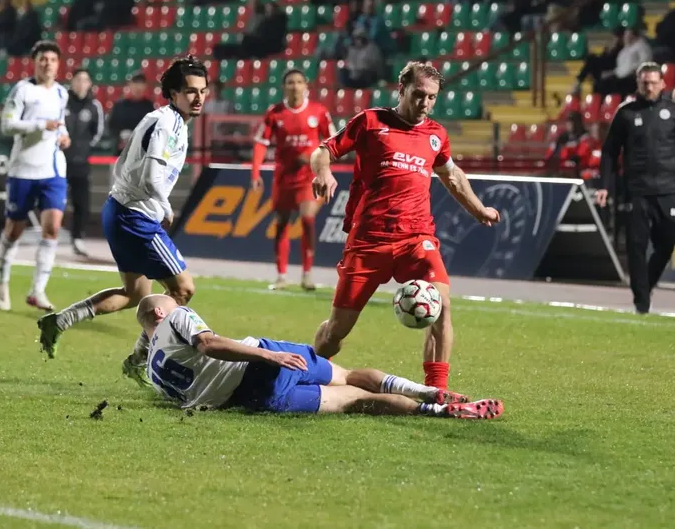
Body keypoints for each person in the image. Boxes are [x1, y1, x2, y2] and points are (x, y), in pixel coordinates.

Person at [309, 62, 502, 390]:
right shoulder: (371, 121)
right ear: (402, 90)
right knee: (336, 333)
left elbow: (452, 176)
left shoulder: (436, 135)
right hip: (369, 240)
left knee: (441, 307)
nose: (425, 103)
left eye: (432, 97)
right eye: (419, 94)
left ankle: (437, 390)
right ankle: (309, 370)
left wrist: (479, 209)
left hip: (417, 237)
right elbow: (323, 150)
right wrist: (323, 172)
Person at [37, 57, 208, 386]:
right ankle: (139, 359)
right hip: (136, 217)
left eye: (202, 91)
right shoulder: (167, 124)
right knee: (183, 289)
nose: (198, 97)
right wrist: (165, 207)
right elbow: (152, 176)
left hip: (119, 209)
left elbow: (121, 165)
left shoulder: (163, 119)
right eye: (190, 91)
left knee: (134, 294)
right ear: (173, 93)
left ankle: (58, 322)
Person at [139, 294, 503, 419]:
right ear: (159, 313)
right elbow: (208, 344)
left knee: (354, 401)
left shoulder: (154, 375)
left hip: (253, 398)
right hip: (263, 363)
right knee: (347, 376)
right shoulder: (175, 317)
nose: (177, 302)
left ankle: (436, 412)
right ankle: (429, 392)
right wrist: (269, 357)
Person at [596, 62, 675, 315]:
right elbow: (610, 151)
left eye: (654, 83)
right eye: (645, 83)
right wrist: (604, 186)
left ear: (663, 84)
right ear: (638, 84)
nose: (650, 87)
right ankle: (641, 302)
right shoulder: (626, 113)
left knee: (668, 241)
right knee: (636, 246)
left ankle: (647, 283)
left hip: (669, 189)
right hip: (637, 190)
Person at [0, 41, 70, 312]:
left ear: (58, 65)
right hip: (23, 170)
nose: (47, 64)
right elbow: (7, 125)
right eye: (43, 59)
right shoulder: (22, 90)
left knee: (52, 228)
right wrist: (40, 125)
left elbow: (60, 124)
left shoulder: (61, 93)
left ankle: (38, 290)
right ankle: (2, 281)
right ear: (35, 63)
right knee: (14, 230)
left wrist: (64, 136)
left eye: (52, 59)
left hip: (53, 170)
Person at [252, 69, 336, 290]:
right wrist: (255, 172)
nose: (295, 86)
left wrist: (318, 159)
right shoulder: (275, 113)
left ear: (306, 86)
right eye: (290, 82)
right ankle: (281, 276)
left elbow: (333, 141)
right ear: (284, 87)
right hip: (283, 176)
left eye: (299, 82)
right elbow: (261, 142)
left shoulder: (319, 111)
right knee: (281, 224)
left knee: (307, 219)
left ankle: (307, 275)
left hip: (308, 176)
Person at [64, 68, 105, 257]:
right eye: (78, 79)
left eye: (85, 80)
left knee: (82, 203)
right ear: (72, 82)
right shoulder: (61, 101)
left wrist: (83, 147)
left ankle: (77, 237)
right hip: (59, 160)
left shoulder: (94, 106)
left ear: (90, 84)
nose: (81, 83)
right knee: (54, 199)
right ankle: (50, 233)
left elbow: (98, 132)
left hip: (81, 162)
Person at [107, 72, 156, 155]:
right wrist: (120, 137)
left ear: (145, 86)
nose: (137, 87)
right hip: (122, 152)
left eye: (140, 83)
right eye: (135, 83)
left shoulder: (149, 107)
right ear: (129, 85)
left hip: (142, 153)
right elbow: (111, 126)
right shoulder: (119, 105)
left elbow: (153, 129)